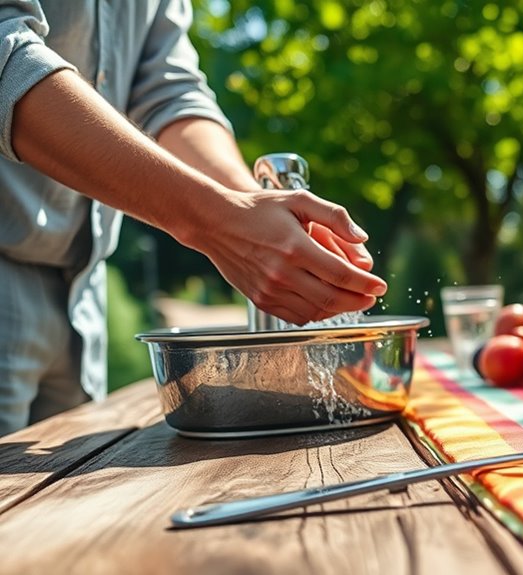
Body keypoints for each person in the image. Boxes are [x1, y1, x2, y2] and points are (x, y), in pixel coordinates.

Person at [0, 1, 388, 435]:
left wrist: (253, 207)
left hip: (84, 289)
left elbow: (168, 93)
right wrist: (216, 219)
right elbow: (6, 56)